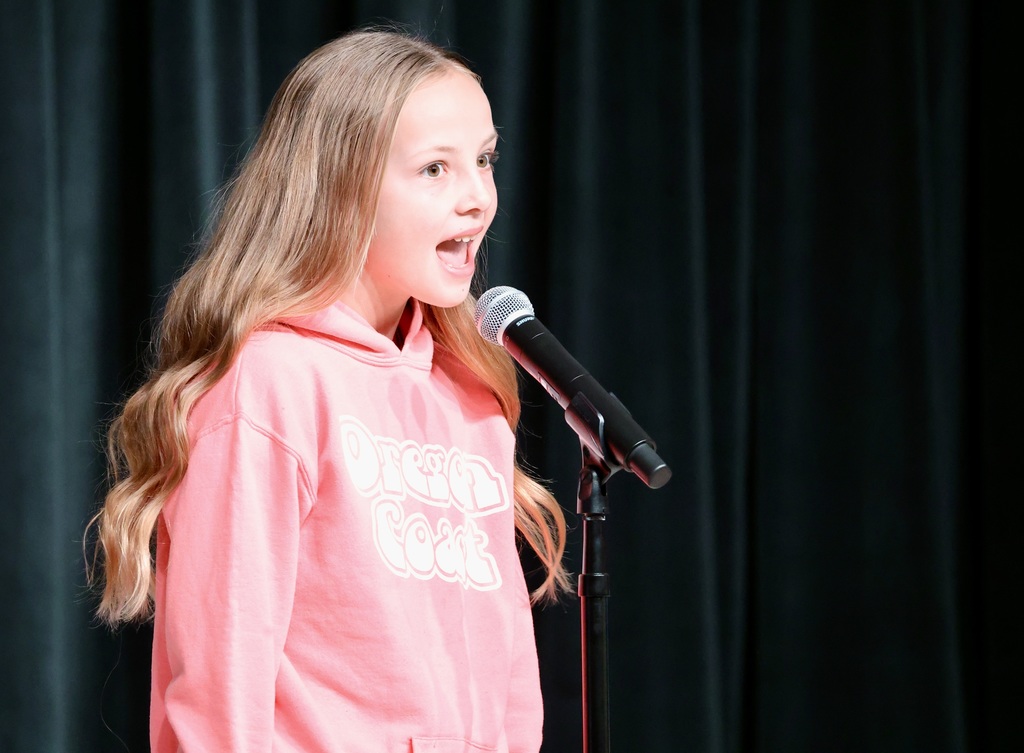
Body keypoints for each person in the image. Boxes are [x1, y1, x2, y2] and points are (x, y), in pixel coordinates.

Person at [89, 28, 571, 753]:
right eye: (435, 169)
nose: (478, 196)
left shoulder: (470, 395)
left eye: (484, 159)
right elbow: (220, 694)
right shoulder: (269, 386)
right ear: (341, 186)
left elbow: (510, 691)